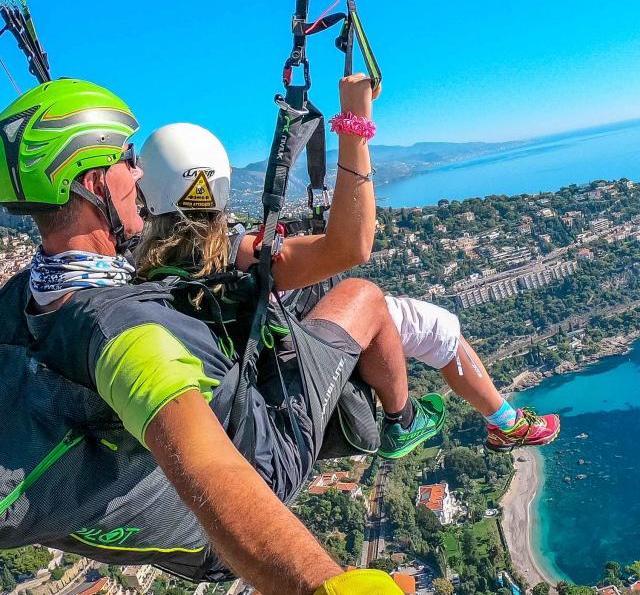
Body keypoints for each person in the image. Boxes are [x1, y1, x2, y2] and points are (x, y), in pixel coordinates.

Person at [0, 77, 435, 595]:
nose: (136, 171)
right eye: (125, 157)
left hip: (173, 526)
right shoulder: (124, 333)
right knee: (363, 296)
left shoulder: (18, 301)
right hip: (263, 463)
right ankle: (400, 421)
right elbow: (210, 467)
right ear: (94, 183)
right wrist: (325, 585)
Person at [136, 74, 560, 453]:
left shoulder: (141, 265)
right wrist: (354, 125)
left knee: (428, 324)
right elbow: (352, 247)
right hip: (300, 343)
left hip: (260, 355)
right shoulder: (237, 257)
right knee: (430, 325)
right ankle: (413, 421)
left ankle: (500, 422)